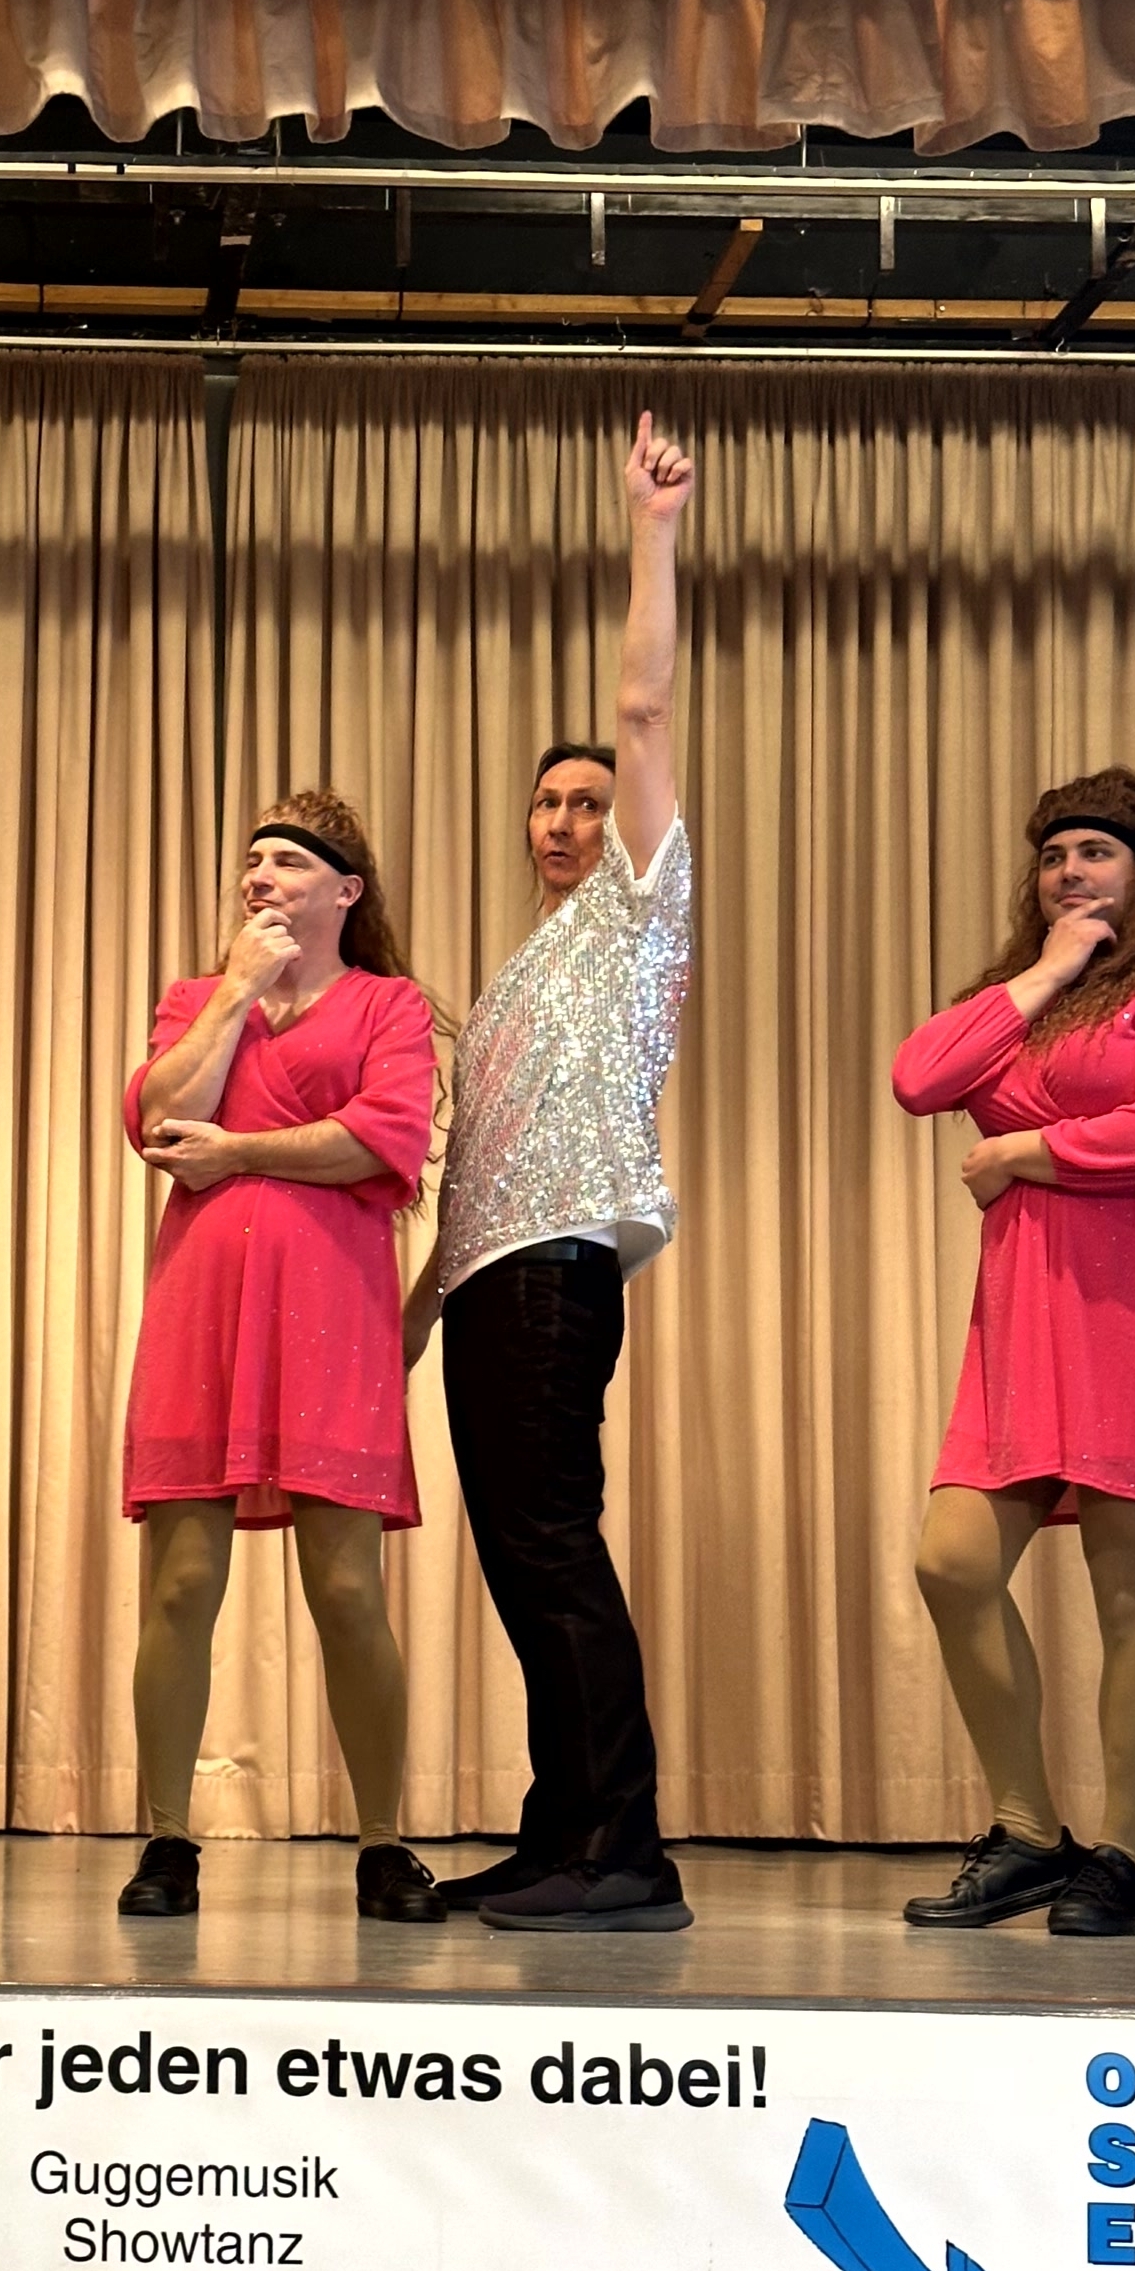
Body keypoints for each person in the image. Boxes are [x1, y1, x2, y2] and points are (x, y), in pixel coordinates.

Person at [403, 410, 696, 1935]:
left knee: (551, 1546)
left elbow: (642, 706)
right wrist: (403, 1318)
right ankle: (559, 1830)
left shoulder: (635, 911)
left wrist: (650, 530)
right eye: (548, 801)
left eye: (589, 800)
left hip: (556, 1270)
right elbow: (471, 1171)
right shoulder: (521, 969)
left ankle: (624, 1850)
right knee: (522, 1561)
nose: (569, 819)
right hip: (488, 1280)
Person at [114, 789, 442, 1923]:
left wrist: (243, 1151)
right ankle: (167, 1837)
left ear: (345, 891)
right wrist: (235, 994)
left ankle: (384, 1842)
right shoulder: (196, 1000)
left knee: (346, 1587)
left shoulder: (391, 1004)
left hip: (332, 1313)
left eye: (288, 862)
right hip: (202, 1310)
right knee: (182, 1581)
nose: (259, 875)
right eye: (252, 860)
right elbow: (160, 1121)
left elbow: (384, 1137)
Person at [894, 766, 1135, 1939]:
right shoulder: (1024, 996)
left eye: (1095, 852)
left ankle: (1121, 1857)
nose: (1069, 871)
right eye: (1054, 855)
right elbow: (920, 1076)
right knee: (953, 1563)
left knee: (1133, 1590)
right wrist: (1047, 971)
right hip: (1019, 1324)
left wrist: (1024, 1153)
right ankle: (1026, 1831)